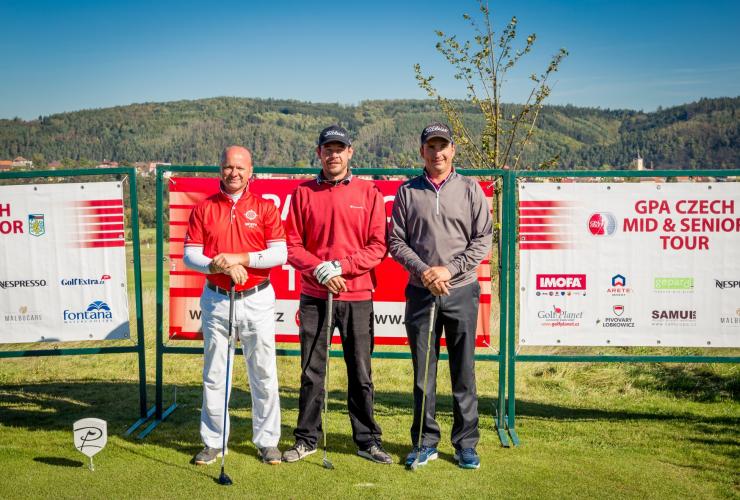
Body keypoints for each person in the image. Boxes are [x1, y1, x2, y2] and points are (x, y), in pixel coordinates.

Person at [282, 124, 392, 464]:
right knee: (311, 371)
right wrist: (320, 269)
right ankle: (306, 438)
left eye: (339, 149)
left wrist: (341, 267)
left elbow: (378, 246)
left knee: (360, 372)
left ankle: (367, 440)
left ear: (350, 152)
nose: (333, 155)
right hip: (315, 297)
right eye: (327, 149)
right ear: (319, 153)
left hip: (357, 296)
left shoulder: (369, 192)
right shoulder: (303, 193)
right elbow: (292, 246)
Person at [389, 122, 492, 469]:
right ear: (422, 151)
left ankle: (466, 444)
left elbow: (483, 239)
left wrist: (449, 270)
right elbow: (396, 241)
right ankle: (424, 442)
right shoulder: (407, 192)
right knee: (423, 375)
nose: (437, 153)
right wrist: (425, 272)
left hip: (461, 291)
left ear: (453, 150)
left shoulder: (470, 189)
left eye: (443, 146)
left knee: (464, 373)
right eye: (431, 147)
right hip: (421, 293)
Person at [183, 145, 286, 466]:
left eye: (241, 167)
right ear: (220, 169)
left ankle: (267, 441)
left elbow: (279, 253)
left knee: (263, 372)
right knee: (215, 374)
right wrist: (218, 265)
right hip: (216, 298)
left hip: (257, 297)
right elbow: (190, 255)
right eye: (229, 166)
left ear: (251, 171)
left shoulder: (265, 208)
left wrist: (240, 259)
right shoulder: (204, 208)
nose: (234, 173)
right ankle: (213, 442)